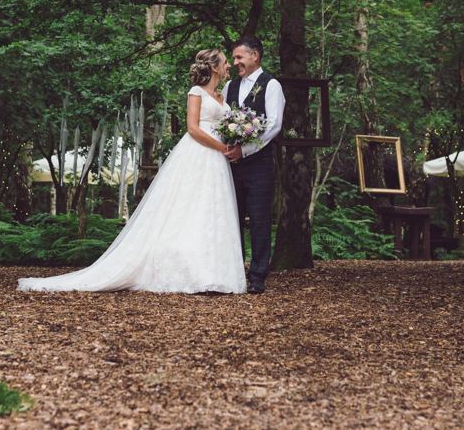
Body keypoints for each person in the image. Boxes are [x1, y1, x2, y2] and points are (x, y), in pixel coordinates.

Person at [18, 49, 246, 294]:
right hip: (199, 153)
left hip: (217, 161)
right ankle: (188, 269)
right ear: (213, 67)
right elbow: (192, 128)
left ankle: (213, 271)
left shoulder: (222, 96)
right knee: (188, 206)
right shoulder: (196, 93)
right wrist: (222, 146)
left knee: (212, 210)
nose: (228, 67)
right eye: (224, 63)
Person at [222, 36, 285, 294]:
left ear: (255, 55)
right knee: (231, 217)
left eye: (239, 57)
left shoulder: (271, 85)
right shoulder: (229, 87)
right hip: (230, 164)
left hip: (259, 163)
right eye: (234, 58)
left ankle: (258, 275)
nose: (236, 62)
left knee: (259, 219)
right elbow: (223, 120)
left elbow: (274, 125)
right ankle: (233, 272)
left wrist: (244, 150)